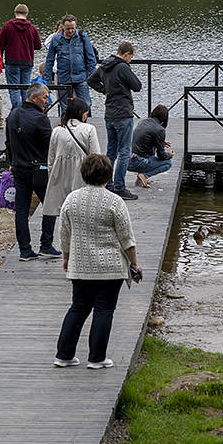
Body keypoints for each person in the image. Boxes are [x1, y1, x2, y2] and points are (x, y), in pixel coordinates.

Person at [54, 153, 141, 370]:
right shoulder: (115, 201)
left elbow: (64, 233)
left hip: (81, 264)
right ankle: (97, 358)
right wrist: (134, 264)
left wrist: (66, 257)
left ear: (83, 173)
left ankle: (64, 356)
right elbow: (126, 237)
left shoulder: (71, 199)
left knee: (78, 307)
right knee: (104, 310)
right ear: (108, 176)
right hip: (110, 268)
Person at [4, 82, 61, 261]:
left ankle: (24, 249)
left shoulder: (12, 115)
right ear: (34, 98)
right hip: (39, 170)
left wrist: (11, 161)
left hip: (19, 168)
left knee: (21, 211)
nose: (47, 100)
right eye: (45, 97)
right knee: (50, 206)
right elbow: (51, 145)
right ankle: (46, 245)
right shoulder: (40, 118)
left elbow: (8, 143)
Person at [92, 41, 142, 200]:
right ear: (127, 53)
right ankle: (120, 187)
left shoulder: (105, 65)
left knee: (111, 151)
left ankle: (108, 183)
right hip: (123, 114)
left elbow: (91, 80)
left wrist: (105, 90)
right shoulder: (122, 67)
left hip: (110, 115)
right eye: (131, 57)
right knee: (124, 152)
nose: (131, 60)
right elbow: (137, 86)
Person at [45, 97, 102, 216]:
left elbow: (51, 159)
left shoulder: (56, 131)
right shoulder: (89, 129)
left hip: (60, 175)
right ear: (81, 113)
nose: (86, 117)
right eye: (86, 114)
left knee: (64, 213)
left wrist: (53, 177)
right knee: (81, 212)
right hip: (81, 175)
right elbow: (96, 156)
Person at [44, 14, 98, 115]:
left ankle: (83, 128)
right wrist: (48, 81)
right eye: (68, 28)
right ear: (63, 26)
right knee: (65, 108)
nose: (71, 31)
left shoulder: (82, 37)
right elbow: (49, 61)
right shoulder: (56, 40)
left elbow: (91, 58)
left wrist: (92, 77)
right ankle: (65, 128)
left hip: (81, 77)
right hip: (64, 78)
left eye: (73, 28)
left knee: (86, 105)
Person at [0, 4, 42, 110]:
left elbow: (1, 45)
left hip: (12, 61)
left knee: (14, 89)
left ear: (15, 13)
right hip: (27, 61)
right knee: (25, 89)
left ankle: (17, 112)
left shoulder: (7, 26)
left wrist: (0, 60)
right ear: (26, 14)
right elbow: (38, 46)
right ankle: (25, 112)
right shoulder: (32, 28)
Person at [128, 104, 174, 188]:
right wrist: (170, 155)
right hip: (138, 162)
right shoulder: (159, 129)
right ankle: (144, 175)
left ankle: (140, 178)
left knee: (150, 149)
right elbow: (161, 155)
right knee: (168, 163)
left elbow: (144, 139)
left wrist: (160, 142)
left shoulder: (143, 122)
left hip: (128, 160)